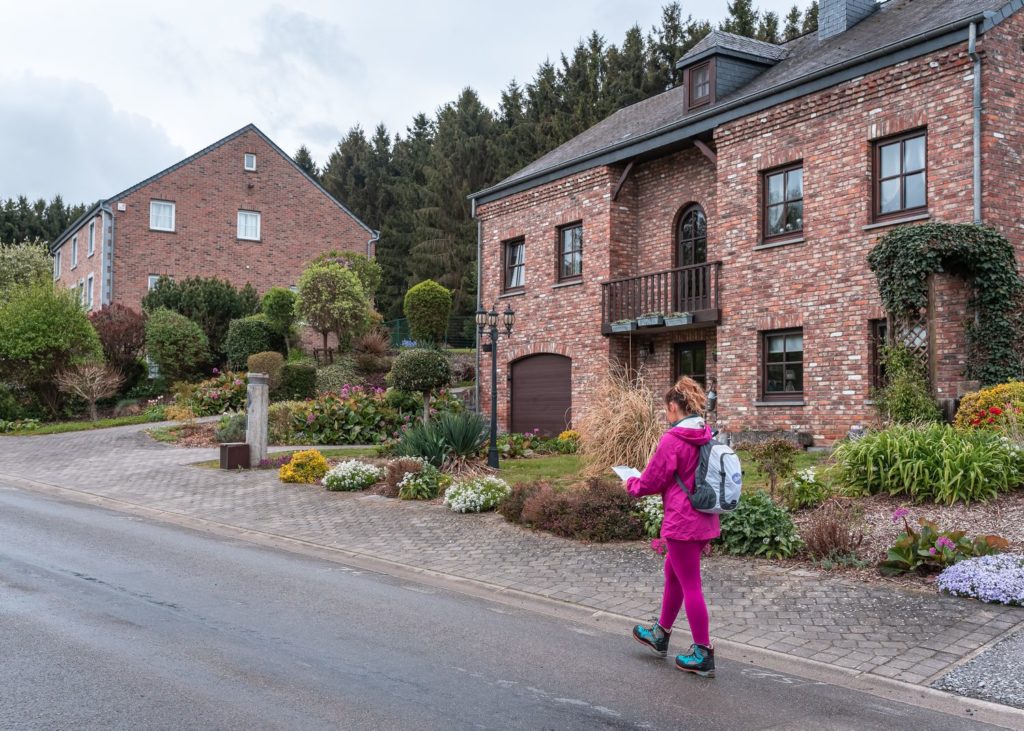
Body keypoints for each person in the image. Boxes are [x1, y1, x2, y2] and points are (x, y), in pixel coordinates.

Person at [624, 375, 718, 678]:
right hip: (703, 516)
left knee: (690, 584)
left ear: (676, 406)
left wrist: (630, 482)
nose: (666, 414)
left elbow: (652, 481)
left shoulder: (673, 439)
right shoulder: (704, 432)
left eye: (667, 408)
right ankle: (660, 634)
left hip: (682, 521)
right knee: (673, 574)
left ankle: (703, 652)